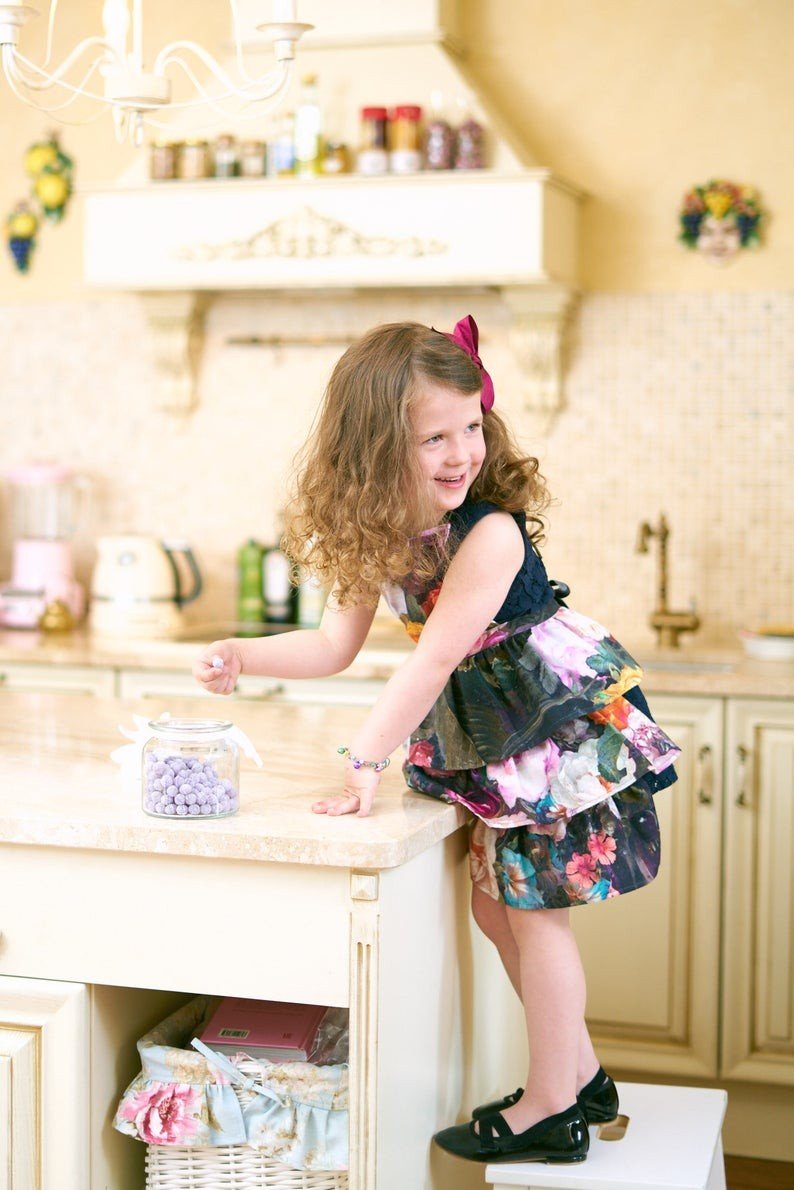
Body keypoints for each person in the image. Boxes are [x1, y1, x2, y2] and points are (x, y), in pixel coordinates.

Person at [192, 316, 681, 1166]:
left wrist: (364, 762)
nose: (462, 453)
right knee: (497, 909)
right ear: (376, 448)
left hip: (550, 733)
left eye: (471, 428)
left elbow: (433, 663)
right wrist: (244, 653)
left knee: (537, 922)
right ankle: (584, 1078)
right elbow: (330, 646)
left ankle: (555, 1109)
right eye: (435, 437)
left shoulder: (488, 534)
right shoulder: (380, 532)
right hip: (499, 737)